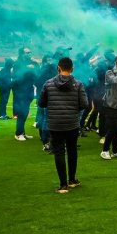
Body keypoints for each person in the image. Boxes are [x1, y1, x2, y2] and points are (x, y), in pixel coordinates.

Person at [39, 57, 88, 193]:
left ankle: (63, 185)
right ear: (72, 69)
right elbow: (84, 104)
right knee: (72, 150)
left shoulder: (48, 84)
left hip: (55, 123)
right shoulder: (78, 84)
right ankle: (72, 180)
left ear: (58, 68)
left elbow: (41, 103)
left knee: (59, 152)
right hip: (72, 123)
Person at [12, 48, 37, 140]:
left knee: (25, 112)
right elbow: (17, 76)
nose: (30, 54)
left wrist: (35, 64)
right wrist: (28, 68)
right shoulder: (17, 63)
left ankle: (22, 132)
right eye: (27, 52)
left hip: (29, 90)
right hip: (20, 91)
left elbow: (37, 73)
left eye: (30, 52)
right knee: (22, 112)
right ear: (22, 54)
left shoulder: (31, 63)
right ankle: (18, 133)